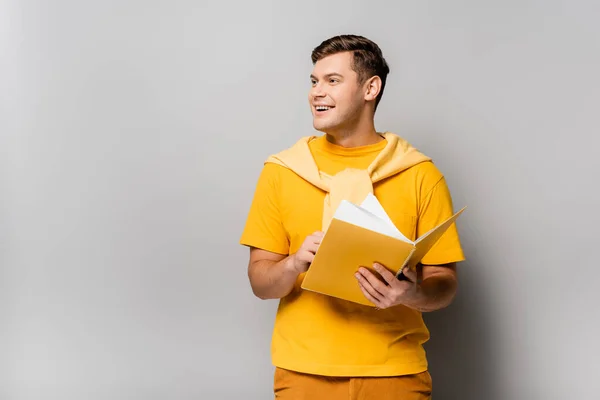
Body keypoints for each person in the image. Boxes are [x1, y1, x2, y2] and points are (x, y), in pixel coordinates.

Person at [239, 34, 465, 400]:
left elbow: (445, 282)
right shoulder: (282, 171)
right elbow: (260, 282)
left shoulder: (420, 173)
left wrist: (411, 293)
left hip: (396, 372)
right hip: (303, 373)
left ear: (370, 88)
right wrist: (294, 264)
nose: (316, 92)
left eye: (332, 81)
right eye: (314, 81)